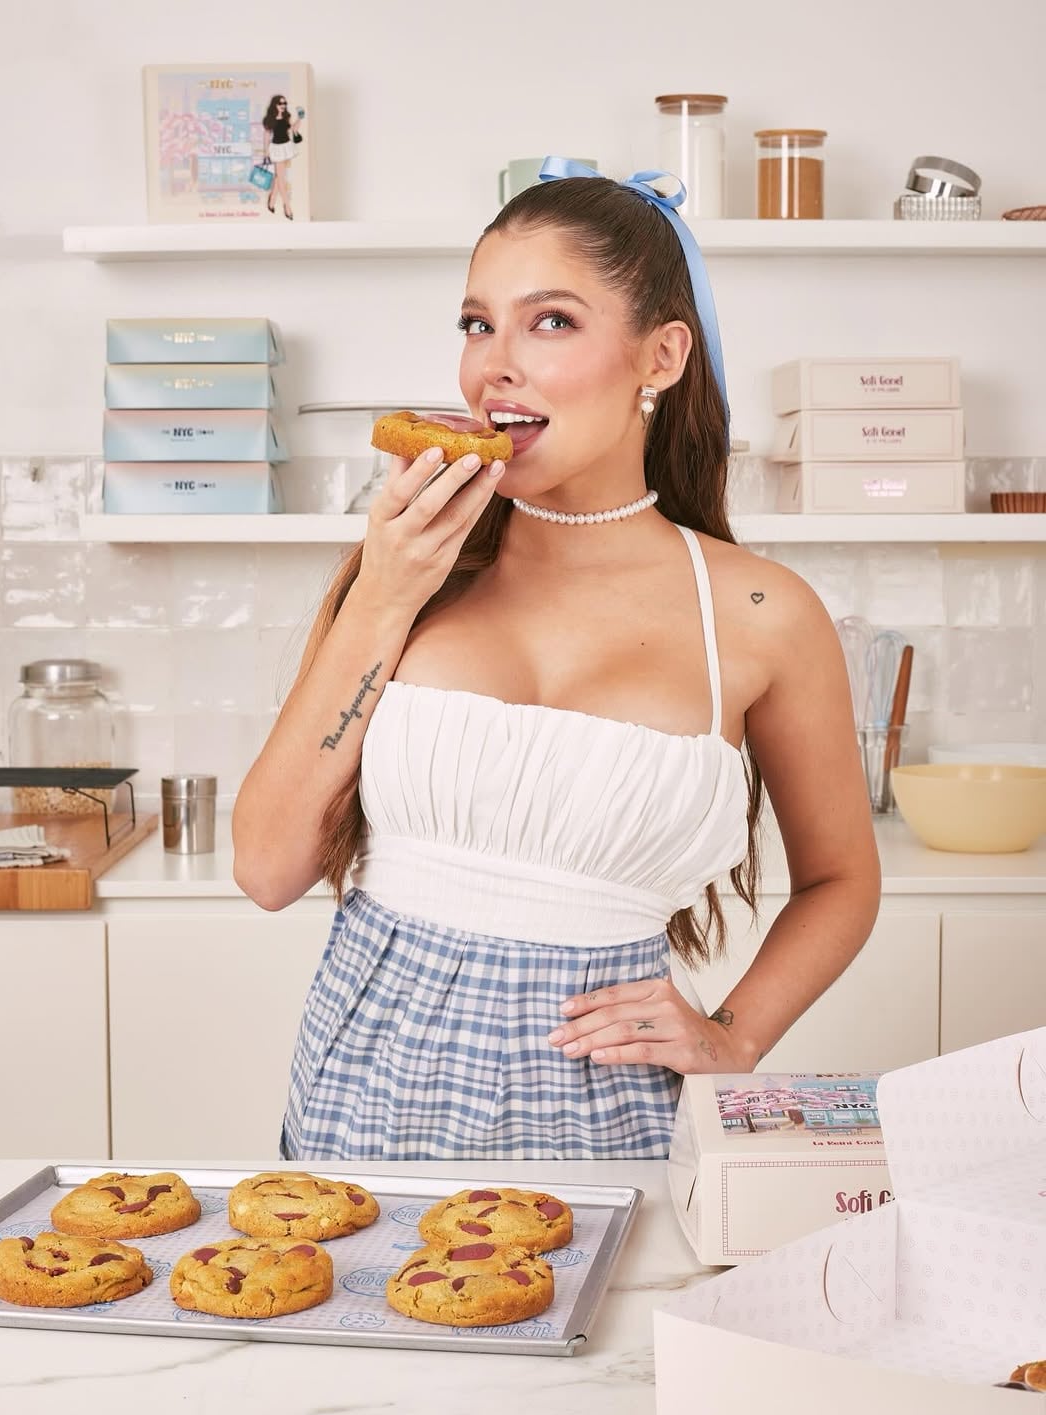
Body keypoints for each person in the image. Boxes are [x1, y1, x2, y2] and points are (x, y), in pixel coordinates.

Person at [232, 157, 881, 1162]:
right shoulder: (409, 569)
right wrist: (385, 597)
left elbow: (842, 877)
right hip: (360, 1091)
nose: (493, 365)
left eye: (552, 322)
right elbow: (267, 868)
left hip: (610, 1107)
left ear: (660, 357)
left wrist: (735, 1034)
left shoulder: (761, 615)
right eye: (477, 323)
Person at [261, 94, 301, 219]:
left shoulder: (286, 117)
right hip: (277, 149)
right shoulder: (269, 119)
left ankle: (272, 200)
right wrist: (266, 151)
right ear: (275, 105)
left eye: (284, 103)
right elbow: (267, 136)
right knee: (281, 179)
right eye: (280, 103)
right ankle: (287, 207)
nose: (283, 105)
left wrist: (300, 118)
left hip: (286, 147)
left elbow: (292, 129)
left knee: (279, 178)